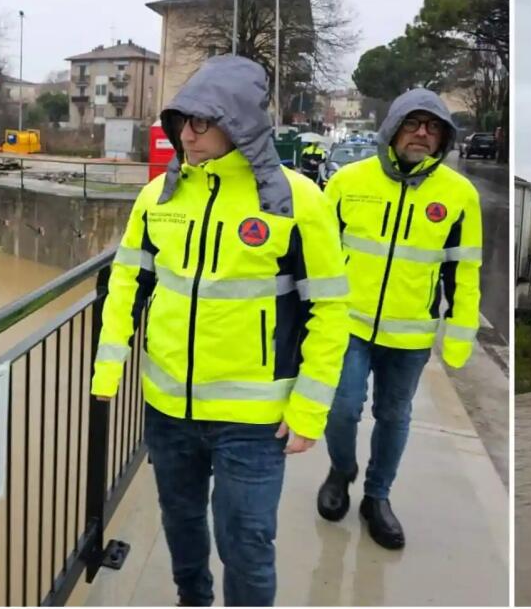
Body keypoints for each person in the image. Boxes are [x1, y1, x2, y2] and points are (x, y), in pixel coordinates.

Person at [90, 55, 349, 606]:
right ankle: (194, 599)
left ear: (240, 122)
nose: (188, 133)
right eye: (182, 120)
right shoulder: (159, 196)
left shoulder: (298, 200)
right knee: (181, 525)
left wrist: (309, 409)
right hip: (167, 409)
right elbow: (126, 285)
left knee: (247, 544)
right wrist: (108, 367)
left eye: (202, 120)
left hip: (254, 422)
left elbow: (330, 312)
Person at [318, 88, 483, 550]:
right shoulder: (349, 181)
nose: (422, 134)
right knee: (342, 406)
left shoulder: (459, 195)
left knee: (394, 415)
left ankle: (377, 497)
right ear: (392, 128)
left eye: (433, 128)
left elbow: (464, 271)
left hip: (409, 333)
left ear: (444, 139)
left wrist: (459, 336)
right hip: (347, 322)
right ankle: (341, 469)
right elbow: (317, 255)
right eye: (413, 123)